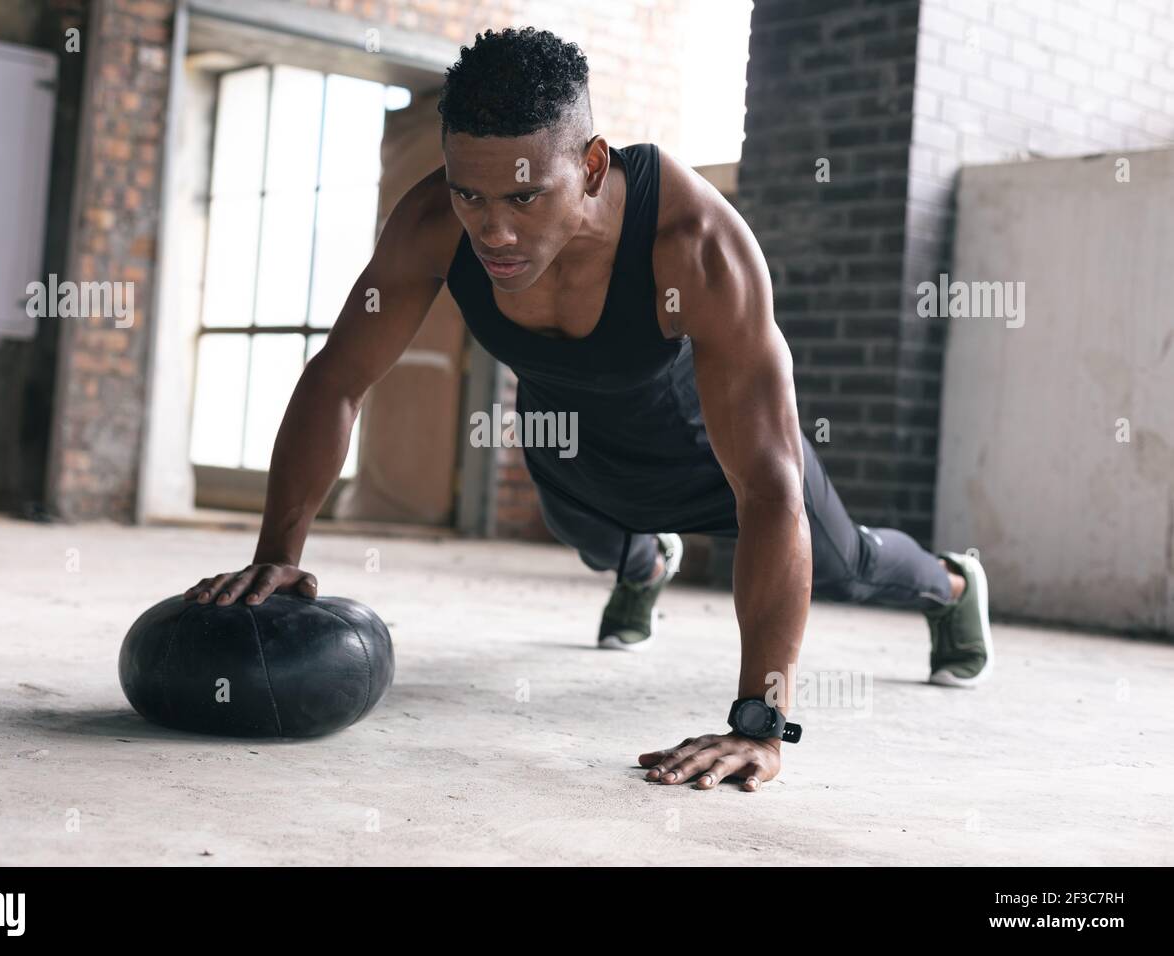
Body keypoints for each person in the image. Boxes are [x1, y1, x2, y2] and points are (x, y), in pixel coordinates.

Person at [185, 27, 993, 793]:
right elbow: (337, 380)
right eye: (472, 192)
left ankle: (953, 585)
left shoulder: (695, 241)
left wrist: (760, 722)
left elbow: (770, 488)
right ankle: (645, 565)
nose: (494, 230)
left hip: (712, 457)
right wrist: (276, 553)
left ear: (595, 165)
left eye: (525, 196)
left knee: (843, 562)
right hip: (570, 448)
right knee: (592, 541)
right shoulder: (433, 224)